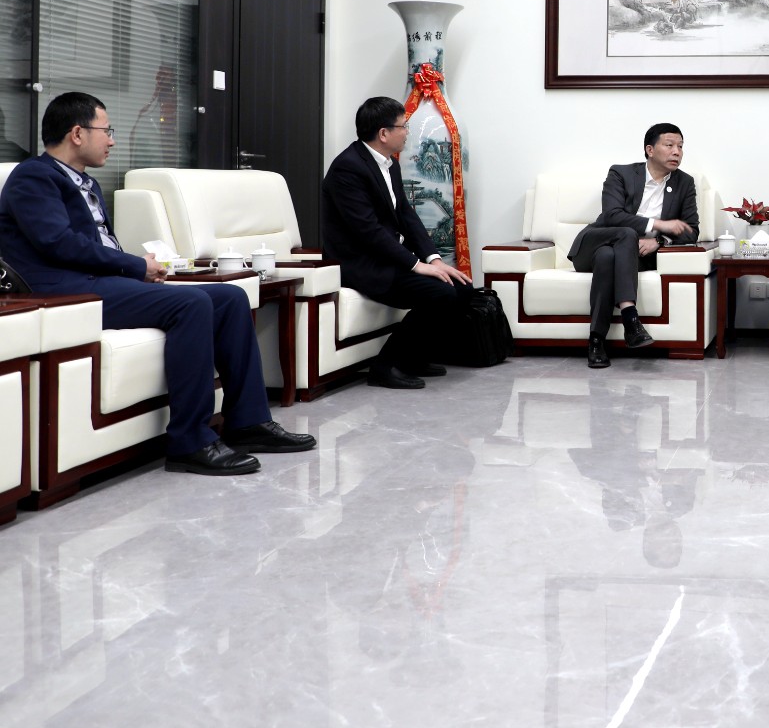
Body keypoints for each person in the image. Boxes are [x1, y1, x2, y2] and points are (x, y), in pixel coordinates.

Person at [0, 92, 314, 476]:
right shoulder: (34, 177)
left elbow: (97, 245)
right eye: (106, 130)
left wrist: (143, 266)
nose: (112, 140)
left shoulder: (86, 183)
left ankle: (248, 423)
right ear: (77, 133)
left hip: (101, 282)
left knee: (230, 297)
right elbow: (59, 243)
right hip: (69, 292)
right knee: (191, 304)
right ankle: (190, 441)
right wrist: (136, 266)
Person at [323, 96, 475, 390]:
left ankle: (412, 358)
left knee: (462, 288)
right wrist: (415, 265)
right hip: (360, 264)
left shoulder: (389, 164)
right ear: (383, 133)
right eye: (403, 126)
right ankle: (384, 367)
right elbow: (368, 232)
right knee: (440, 293)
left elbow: (406, 214)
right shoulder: (347, 169)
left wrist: (433, 259)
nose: (407, 132)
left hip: (386, 258)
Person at [568, 124, 698, 369]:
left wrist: (659, 241)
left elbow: (691, 229)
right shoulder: (621, 173)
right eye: (669, 145)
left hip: (631, 257)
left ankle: (596, 341)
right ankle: (630, 317)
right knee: (625, 234)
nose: (677, 152)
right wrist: (659, 224)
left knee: (607, 258)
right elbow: (612, 215)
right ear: (650, 150)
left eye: (680, 146)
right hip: (593, 245)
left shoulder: (684, 183)